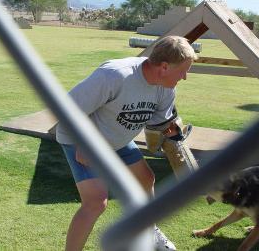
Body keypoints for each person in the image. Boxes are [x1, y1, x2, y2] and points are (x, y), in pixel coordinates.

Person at [56, 36, 198, 251]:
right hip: (84, 139)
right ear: (164, 67)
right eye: (183, 71)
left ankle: (149, 231)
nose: (185, 77)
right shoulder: (115, 75)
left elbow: (160, 123)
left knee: (146, 180)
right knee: (96, 202)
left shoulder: (166, 88)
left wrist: (174, 134)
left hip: (118, 139)